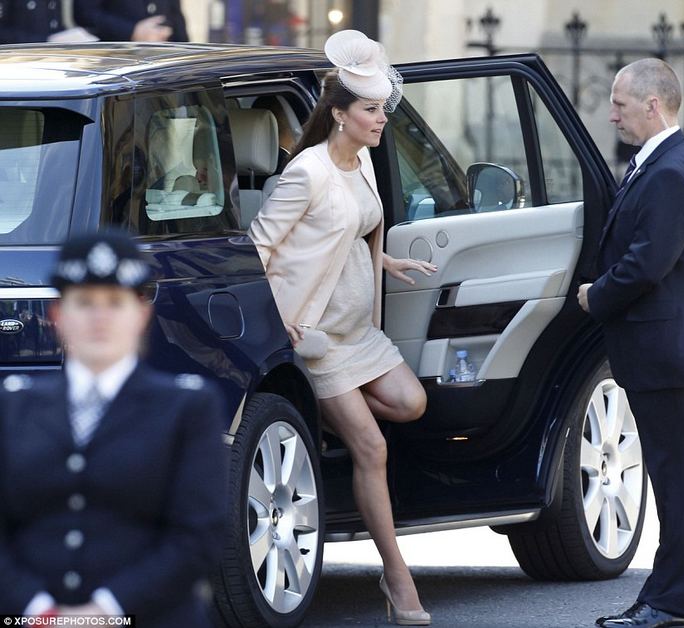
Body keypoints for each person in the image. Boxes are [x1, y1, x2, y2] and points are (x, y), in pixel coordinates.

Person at [248, 29, 435, 626]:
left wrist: (383, 259)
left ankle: (321, 419)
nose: (383, 119)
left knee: (411, 402)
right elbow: (260, 250)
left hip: (362, 332)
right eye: (372, 110)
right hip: (320, 339)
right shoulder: (307, 172)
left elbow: (342, 231)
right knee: (372, 448)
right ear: (340, 114)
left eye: (383, 109)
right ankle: (398, 579)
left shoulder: (363, 163)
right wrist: (288, 326)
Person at [0, 230, 227, 626]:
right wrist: (40, 612)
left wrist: (107, 611)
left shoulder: (187, 407)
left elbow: (198, 536)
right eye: (84, 303)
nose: (99, 318)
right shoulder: (14, 405)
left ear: (141, 314)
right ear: (57, 316)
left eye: (115, 303)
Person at [577, 59, 684, 628]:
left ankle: (672, 605)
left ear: (653, 105)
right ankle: (667, 600)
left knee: (680, 485)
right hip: (663, 352)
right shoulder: (662, 162)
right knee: (673, 482)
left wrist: (597, 296)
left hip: (668, 354)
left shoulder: (669, 169)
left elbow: (647, 265)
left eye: (620, 102)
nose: (611, 112)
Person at [74, 0, 187, 42]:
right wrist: (132, 31)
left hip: (162, 57)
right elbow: (85, 13)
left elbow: (175, 14)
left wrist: (186, 53)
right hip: (118, 59)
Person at [0, 0, 96, 43]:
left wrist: (70, 36)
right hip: (18, 59)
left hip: (48, 56)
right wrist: (45, 40)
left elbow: (55, 25)